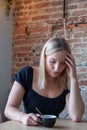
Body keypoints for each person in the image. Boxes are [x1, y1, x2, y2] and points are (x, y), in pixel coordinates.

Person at [4, 37, 84, 126]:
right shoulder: (27, 74)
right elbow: (8, 109)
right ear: (44, 58)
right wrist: (22, 117)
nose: (57, 68)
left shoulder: (66, 82)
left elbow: (76, 116)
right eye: (52, 61)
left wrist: (73, 79)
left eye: (63, 63)